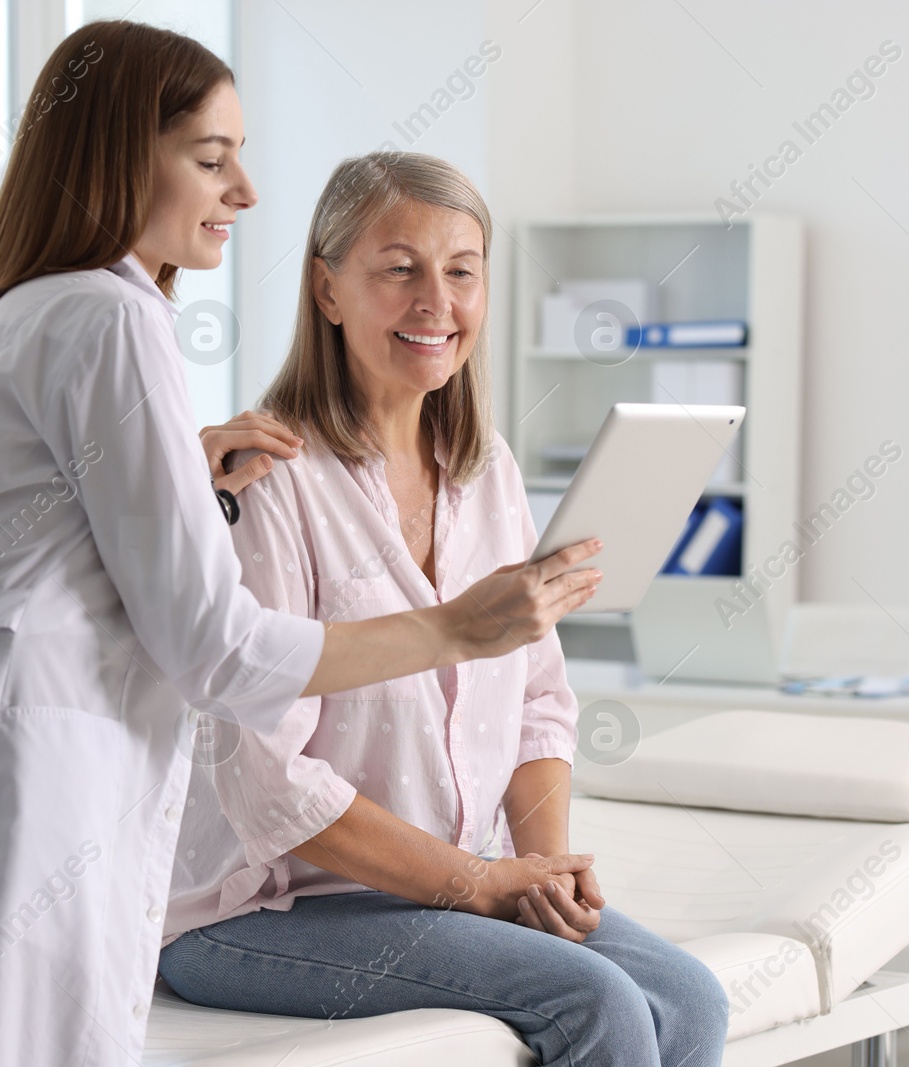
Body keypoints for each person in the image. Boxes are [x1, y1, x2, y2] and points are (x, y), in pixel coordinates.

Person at [0, 25, 601, 1067]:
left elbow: (25, 542)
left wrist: (177, 474)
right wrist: (458, 627)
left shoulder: (14, 319)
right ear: (112, 157)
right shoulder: (114, 318)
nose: (244, 191)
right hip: (33, 773)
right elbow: (218, 652)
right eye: (209, 157)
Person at [158, 153, 731, 1067]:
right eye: (399, 268)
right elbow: (272, 784)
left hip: (443, 893)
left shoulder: (485, 469)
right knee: (598, 1003)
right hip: (267, 909)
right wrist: (480, 886)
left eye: (461, 270)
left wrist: (540, 874)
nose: (436, 301)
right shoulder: (269, 479)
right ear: (328, 288)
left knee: (688, 997)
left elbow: (540, 699)